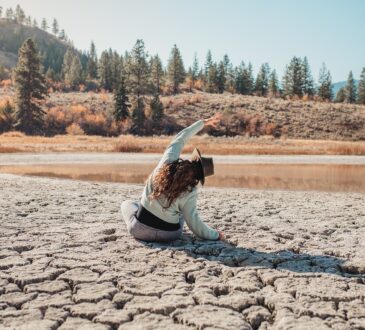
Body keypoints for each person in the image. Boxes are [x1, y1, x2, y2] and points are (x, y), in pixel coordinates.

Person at [121, 114, 225, 242]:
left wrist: (203, 123)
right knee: (182, 212)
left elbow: (179, 139)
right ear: (199, 178)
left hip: (139, 231)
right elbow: (195, 224)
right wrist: (216, 234)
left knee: (128, 204)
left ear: (191, 161)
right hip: (169, 235)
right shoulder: (190, 192)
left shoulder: (166, 163)